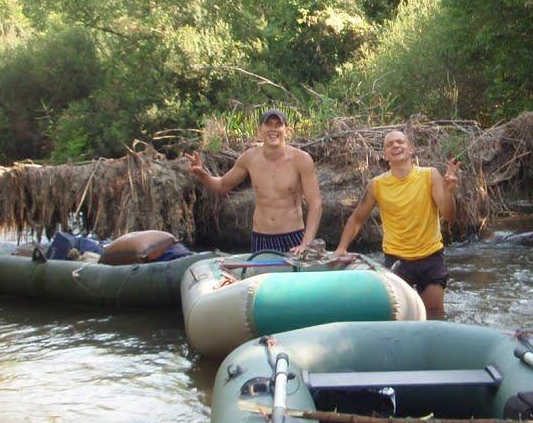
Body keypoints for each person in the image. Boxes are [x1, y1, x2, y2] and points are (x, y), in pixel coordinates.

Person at [333, 129, 460, 317]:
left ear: (410, 148)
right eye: (390, 144)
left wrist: (449, 191)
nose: (395, 146)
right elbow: (357, 218)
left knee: (434, 315)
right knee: (399, 317)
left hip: (431, 257)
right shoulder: (377, 185)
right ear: (385, 155)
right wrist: (341, 248)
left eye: (400, 142)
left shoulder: (430, 175)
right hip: (397, 261)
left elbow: (449, 216)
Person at [188, 109, 322, 254]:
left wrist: (306, 243)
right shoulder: (249, 158)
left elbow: (316, 204)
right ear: (260, 130)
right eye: (268, 124)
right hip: (261, 238)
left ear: (287, 130)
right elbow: (221, 185)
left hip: (293, 237)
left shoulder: (301, 159)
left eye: (278, 125)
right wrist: (202, 175)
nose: (273, 129)